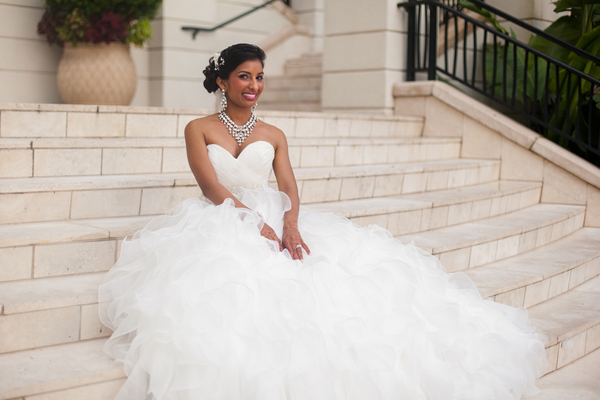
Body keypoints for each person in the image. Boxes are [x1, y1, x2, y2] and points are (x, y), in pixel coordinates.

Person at [99, 43, 547, 400]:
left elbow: (289, 186)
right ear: (222, 80)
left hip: (273, 211)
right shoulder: (197, 127)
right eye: (244, 76)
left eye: (259, 77)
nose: (254, 84)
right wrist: (254, 223)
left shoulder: (274, 134)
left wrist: (290, 223)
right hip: (221, 215)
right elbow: (210, 185)